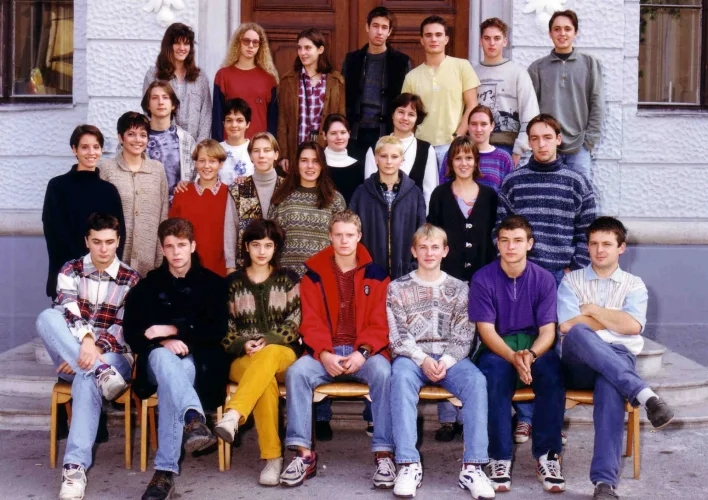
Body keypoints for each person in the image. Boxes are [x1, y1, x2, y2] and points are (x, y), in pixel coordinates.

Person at [558, 217, 674, 500]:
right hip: (578, 361)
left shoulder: (634, 285)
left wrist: (592, 310)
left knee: (610, 387)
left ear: (621, 248)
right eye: (594, 244)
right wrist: (613, 320)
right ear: (587, 247)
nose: (600, 250)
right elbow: (568, 325)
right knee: (579, 333)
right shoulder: (571, 280)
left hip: (618, 358)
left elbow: (632, 326)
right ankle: (644, 394)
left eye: (607, 244)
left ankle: (604, 483)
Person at [279, 210, 395, 489]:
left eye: (349, 235)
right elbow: (311, 321)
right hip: (326, 352)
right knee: (297, 373)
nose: (344, 240)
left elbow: (381, 322)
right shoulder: (313, 276)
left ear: (359, 236)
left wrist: (362, 352)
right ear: (330, 236)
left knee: (384, 373)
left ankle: (384, 454)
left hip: (364, 352)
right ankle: (304, 455)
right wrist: (323, 353)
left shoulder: (378, 275)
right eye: (339, 235)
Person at [36, 213, 140, 500]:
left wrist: (95, 351)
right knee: (47, 317)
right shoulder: (70, 269)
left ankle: (74, 469)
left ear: (118, 241)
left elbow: (123, 328)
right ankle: (98, 372)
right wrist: (86, 342)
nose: (103, 249)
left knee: (86, 379)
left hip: (114, 358)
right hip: (77, 356)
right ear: (86, 241)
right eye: (96, 242)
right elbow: (68, 310)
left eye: (109, 242)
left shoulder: (131, 278)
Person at [388, 223, 495, 499]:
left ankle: (473, 467)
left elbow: (464, 334)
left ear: (445, 251)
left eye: (435, 247)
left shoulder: (459, 288)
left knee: (476, 381)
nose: (429, 253)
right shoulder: (397, 288)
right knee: (399, 378)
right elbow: (398, 336)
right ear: (413, 251)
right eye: (423, 247)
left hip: (451, 358)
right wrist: (423, 359)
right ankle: (408, 464)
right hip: (412, 358)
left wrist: (445, 361)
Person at [123, 218, 228, 500]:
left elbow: (217, 329)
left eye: (182, 245)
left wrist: (174, 329)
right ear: (162, 249)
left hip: (198, 363)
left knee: (175, 379)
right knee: (163, 359)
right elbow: (133, 333)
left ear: (193, 246)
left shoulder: (213, 284)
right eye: (169, 246)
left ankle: (164, 473)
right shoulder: (147, 286)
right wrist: (162, 342)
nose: (176, 252)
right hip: (155, 363)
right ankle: (193, 417)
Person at [471, 215, 566, 494]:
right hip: (498, 347)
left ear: (529, 244)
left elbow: (548, 331)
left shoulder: (544, 278)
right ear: (497, 244)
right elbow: (486, 331)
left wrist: (532, 355)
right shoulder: (483, 278)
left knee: (552, 374)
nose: (511, 247)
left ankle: (548, 456)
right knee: (493, 376)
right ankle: (499, 457)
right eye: (505, 240)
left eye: (517, 240)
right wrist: (512, 356)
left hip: (535, 346)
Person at [214, 219, 302, 486]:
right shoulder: (232, 283)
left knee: (269, 355)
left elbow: (296, 321)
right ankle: (273, 459)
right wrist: (243, 343)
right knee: (263, 382)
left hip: (283, 356)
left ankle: (234, 414)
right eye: (256, 245)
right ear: (246, 247)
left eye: (268, 245)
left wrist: (268, 340)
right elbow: (223, 327)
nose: (262, 251)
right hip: (243, 359)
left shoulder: (288, 279)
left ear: (276, 248)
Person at [428, 136, 497, 441]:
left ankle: (472, 414)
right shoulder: (440, 195)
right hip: (447, 282)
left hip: (481, 282)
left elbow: (493, 239)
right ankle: (447, 417)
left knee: (477, 344)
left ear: (476, 161)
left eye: (469, 157)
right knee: (445, 342)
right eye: (458, 158)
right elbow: (432, 236)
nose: (464, 163)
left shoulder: (489, 196)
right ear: (450, 162)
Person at [497, 114, 596, 286]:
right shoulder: (513, 182)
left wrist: (572, 271)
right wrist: (511, 266)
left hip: (563, 277)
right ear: (529, 142)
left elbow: (588, 234)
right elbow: (499, 229)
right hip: (520, 275)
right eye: (535, 138)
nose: (541, 144)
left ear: (558, 139)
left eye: (547, 137)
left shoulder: (577, 182)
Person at [42, 125, 126, 299]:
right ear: (75, 149)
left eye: (96, 147)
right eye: (84, 147)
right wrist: (82, 268)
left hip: (102, 277)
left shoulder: (109, 190)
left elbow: (119, 234)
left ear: (101, 150)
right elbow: (55, 234)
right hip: (68, 274)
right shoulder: (57, 187)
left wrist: (105, 268)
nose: (91, 152)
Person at [528, 10, 604, 180]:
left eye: (567, 29)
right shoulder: (537, 68)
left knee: (580, 192)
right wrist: (537, 141)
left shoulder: (590, 64)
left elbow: (597, 104)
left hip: (579, 148)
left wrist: (589, 141)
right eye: (557, 29)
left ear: (575, 33)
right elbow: (531, 110)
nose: (562, 33)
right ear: (550, 33)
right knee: (548, 192)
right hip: (547, 147)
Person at [401, 15, 480, 178]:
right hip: (421, 145)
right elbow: (405, 114)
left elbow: (472, 105)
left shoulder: (462, 67)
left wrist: (458, 137)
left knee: (451, 189)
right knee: (423, 190)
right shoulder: (411, 77)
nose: (433, 39)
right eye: (428, 35)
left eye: (438, 35)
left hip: (452, 144)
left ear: (446, 39)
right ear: (422, 40)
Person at [99, 112, 169, 277]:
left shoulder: (157, 169)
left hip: (148, 256)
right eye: (131, 134)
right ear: (120, 137)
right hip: (115, 256)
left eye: (143, 135)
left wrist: (160, 255)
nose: (138, 140)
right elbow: (100, 215)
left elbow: (163, 213)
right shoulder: (107, 169)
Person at [350, 136, 426, 280]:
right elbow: (352, 232)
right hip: (370, 275)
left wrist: (414, 266)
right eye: (384, 156)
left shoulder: (414, 193)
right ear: (376, 159)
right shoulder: (361, 193)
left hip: (407, 275)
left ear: (402, 159)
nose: (389, 161)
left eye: (394, 156)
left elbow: (422, 232)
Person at [342, 6, 411, 162]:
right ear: (367, 27)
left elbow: (405, 100)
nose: (379, 32)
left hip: (386, 133)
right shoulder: (352, 60)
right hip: (355, 133)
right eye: (375, 26)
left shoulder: (401, 62)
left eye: (384, 27)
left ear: (390, 32)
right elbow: (343, 96)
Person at [267, 141, 346, 277]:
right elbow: (269, 240)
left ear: (322, 165)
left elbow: (342, 241)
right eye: (304, 160)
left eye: (315, 161)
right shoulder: (281, 197)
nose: (310, 166)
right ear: (297, 164)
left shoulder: (335, 200)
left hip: (322, 278)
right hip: (285, 278)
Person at [277, 28, 345, 171]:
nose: (302, 53)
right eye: (299, 48)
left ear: (320, 50)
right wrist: (283, 155)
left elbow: (340, 119)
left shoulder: (335, 81)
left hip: (326, 154)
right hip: (296, 153)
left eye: (308, 48)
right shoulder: (287, 81)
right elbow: (282, 121)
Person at [474, 17, 539, 167]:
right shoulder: (471, 73)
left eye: (497, 38)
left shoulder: (518, 73)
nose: (492, 43)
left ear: (505, 41)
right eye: (487, 38)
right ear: (480, 41)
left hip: (507, 147)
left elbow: (530, 112)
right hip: (476, 147)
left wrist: (518, 149)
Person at [169, 139, 236, 277]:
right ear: (195, 163)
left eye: (212, 161)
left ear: (221, 164)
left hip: (220, 269)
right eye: (202, 161)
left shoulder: (230, 194)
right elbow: (172, 234)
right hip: (187, 271)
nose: (206, 166)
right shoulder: (182, 193)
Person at [364, 93, 438, 208]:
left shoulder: (427, 150)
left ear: (417, 118)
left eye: (411, 114)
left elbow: (430, 192)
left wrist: (423, 217)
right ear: (393, 114)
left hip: (415, 215)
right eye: (401, 112)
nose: (405, 118)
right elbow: (370, 191)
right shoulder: (375, 149)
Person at [226, 132, 285, 272]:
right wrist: (230, 265)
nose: (261, 155)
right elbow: (230, 228)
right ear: (250, 156)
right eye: (256, 151)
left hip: (281, 266)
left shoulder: (287, 188)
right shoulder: (238, 189)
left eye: (267, 150)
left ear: (276, 155)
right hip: (246, 267)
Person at [143, 23, 212, 142]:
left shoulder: (200, 77)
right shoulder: (153, 75)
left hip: (195, 146)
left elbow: (206, 114)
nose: (182, 48)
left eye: (186, 43)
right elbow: (147, 111)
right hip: (163, 144)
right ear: (168, 46)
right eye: (177, 43)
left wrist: (200, 147)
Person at [213, 23, 279, 141]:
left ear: (260, 46)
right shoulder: (222, 75)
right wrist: (217, 147)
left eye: (255, 42)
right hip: (230, 145)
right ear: (238, 42)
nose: (250, 46)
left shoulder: (269, 79)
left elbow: (272, 121)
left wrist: (270, 146)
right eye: (246, 41)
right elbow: (217, 117)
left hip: (259, 146)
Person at [141, 80, 196, 202]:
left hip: (177, 205)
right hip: (146, 205)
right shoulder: (136, 139)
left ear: (173, 105)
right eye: (155, 98)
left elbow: (196, 175)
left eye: (165, 97)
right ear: (148, 105)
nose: (160, 102)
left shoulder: (186, 140)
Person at [322, 113, 365, 204]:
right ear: (324, 135)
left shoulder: (358, 166)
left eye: (343, 132)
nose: (339, 137)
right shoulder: (317, 163)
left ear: (349, 134)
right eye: (333, 133)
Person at [219, 98, 255, 185]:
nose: (234, 125)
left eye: (239, 120)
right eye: (229, 120)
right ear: (224, 123)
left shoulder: (255, 149)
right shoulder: (216, 149)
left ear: (247, 124)